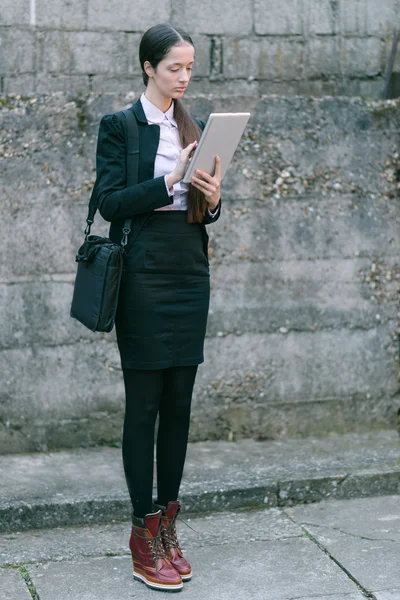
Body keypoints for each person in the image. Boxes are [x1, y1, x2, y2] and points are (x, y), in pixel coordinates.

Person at [95, 23, 221, 592]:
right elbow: (109, 202)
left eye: (190, 68)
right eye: (175, 68)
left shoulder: (194, 124)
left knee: (180, 404)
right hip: (143, 272)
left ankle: (169, 525)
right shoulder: (121, 126)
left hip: (189, 269)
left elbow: (200, 206)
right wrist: (167, 178)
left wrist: (211, 200)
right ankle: (142, 531)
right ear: (149, 66)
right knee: (144, 404)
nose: (185, 77)